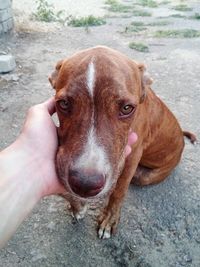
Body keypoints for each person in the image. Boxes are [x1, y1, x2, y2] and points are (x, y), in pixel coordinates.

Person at [0, 98, 138, 248]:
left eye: (125, 108)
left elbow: (132, 159)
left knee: (135, 171)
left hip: (151, 169)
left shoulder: (133, 99)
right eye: (65, 104)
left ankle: (112, 212)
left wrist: (114, 205)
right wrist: (30, 166)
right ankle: (78, 206)